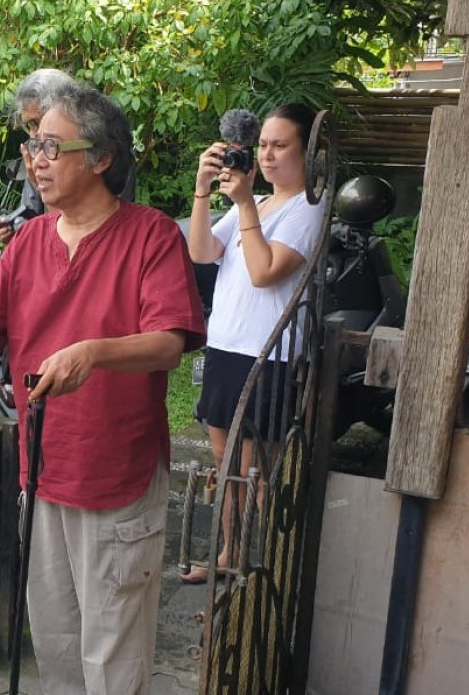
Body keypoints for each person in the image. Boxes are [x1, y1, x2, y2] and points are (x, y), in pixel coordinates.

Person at [0, 86, 205, 694]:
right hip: (44, 470)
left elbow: (169, 342)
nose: (37, 160)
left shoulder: (151, 235)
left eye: (53, 147)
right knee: (55, 644)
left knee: (113, 657)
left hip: (118, 476)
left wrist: (95, 352)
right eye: (33, 146)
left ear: (101, 158)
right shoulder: (30, 241)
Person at [181, 103, 323, 584]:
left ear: (308, 152)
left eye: (280, 145)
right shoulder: (259, 203)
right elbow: (201, 252)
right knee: (224, 463)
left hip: (268, 355)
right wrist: (203, 191)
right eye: (262, 144)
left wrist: (243, 205)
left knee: (257, 467)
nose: (267, 155)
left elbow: (264, 272)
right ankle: (231, 552)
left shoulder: (308, 209)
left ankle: (273, 568)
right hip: (226, 347)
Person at [0, 69, 138, 245]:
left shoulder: (102, 151)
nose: (34, 135)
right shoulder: (39, 159)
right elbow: (32, 219)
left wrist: (44, 190)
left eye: (37, 122)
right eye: (29, 126)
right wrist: (16, 230)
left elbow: (102, 234)